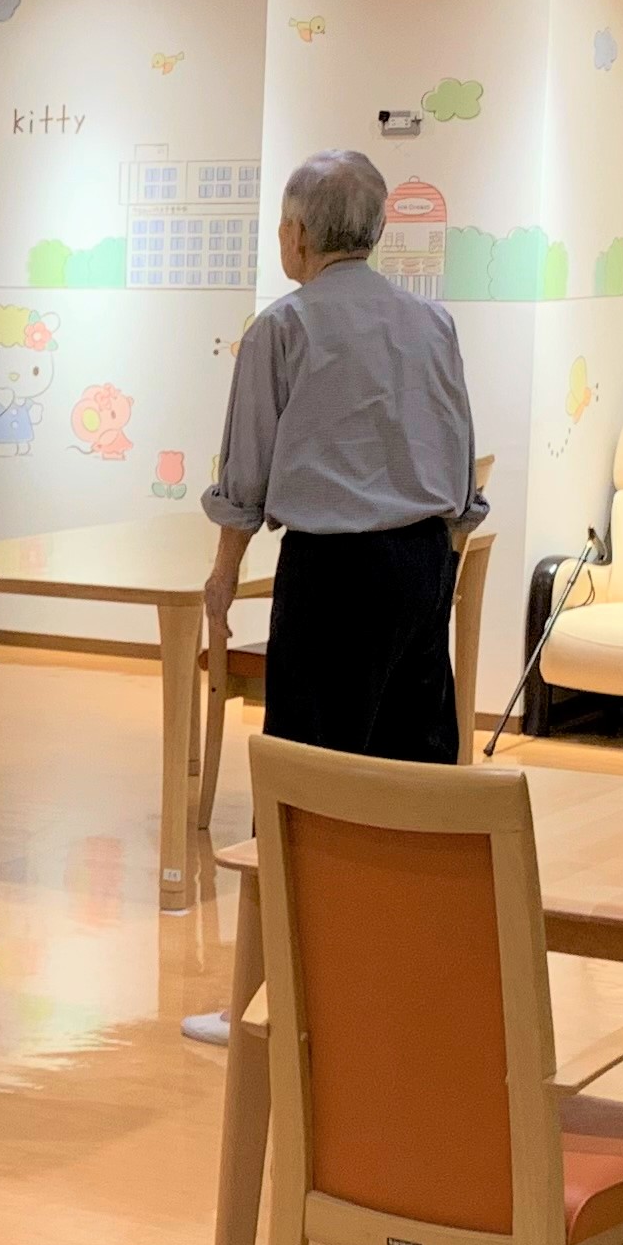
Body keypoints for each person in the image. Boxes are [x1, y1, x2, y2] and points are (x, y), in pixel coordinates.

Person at [184, 149, 488, 1041]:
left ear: (296, 235)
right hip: (423, 564)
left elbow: (245, 474)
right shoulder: (432, 323)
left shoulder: (281, 329)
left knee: (304, 785)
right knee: (412, 778)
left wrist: (223, 574)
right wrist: (435, 567)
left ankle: (271, 1006)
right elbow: (461, 467)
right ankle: (407, 991)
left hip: (333, 572)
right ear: (378, 230)